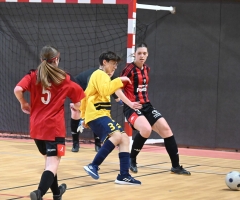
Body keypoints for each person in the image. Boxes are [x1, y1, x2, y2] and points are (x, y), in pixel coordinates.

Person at [14, 45, 85, 200]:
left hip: (36, 128)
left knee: (50, 164)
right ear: (57, 59)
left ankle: (57, 193)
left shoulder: (33, 75)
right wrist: (77, 109)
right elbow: (79, 98)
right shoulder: (64, 78)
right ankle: (39, 193)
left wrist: (23, 103)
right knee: (52, 165)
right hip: (53, 129)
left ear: (41, 59)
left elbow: (17, 89)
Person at [121, 42, 191, 175]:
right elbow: (117, 88)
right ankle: (132, 159)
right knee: (146, 130)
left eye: (144, 53)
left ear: (147, 55)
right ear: (134, 54)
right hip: (132, 107)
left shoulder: (146, 69)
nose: (142, 56)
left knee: (166, 129)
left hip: (147, 106)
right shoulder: (128, 69)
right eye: (139, 53)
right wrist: (127, 103)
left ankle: (175, 166)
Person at [81, 51, 143, 185]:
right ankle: (94, 165)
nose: (115, 67)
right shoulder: (99, 74)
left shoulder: (102, 77)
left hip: (100, 115)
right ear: (105, 62)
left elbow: (85, 96)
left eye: (116, 65)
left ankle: (124, 175)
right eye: (113, 64)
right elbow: (105, 90)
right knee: (117, 136)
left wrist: (83, 117)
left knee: (124, 138)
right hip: (97, 114)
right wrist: (119, 80)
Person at [70, 68, 123, 153]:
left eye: (113, 70)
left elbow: (112, 89)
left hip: (90, 93)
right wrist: (79, 107)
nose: (111, 72)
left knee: (97, 113)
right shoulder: (95, 76)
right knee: (76, 112)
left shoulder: (110, 76)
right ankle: (75, 143)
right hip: (80, 87)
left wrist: (121, 101)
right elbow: (87, 93)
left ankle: (97, 144)